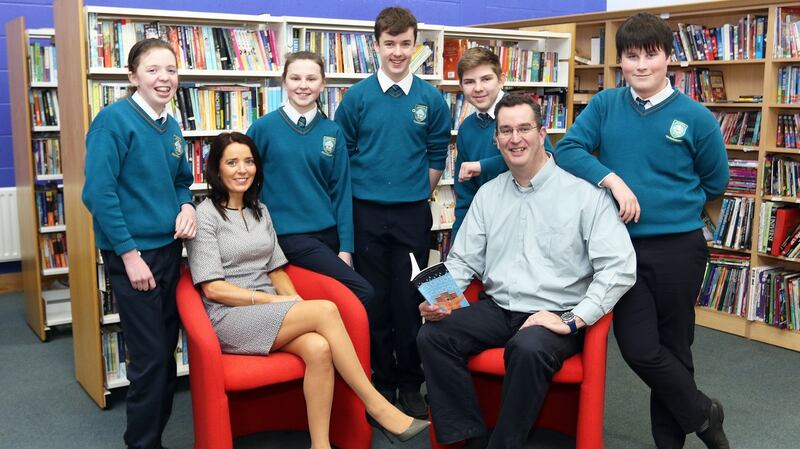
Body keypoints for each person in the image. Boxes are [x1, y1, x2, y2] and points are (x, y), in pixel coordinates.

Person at [417, 94, 637, 449]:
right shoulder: (488, 195)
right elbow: (462, 261)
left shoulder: (584, 196)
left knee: (528, 348)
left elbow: (620, 268)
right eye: (506, 131)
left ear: (541, 133)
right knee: (433, 336)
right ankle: (470, 439)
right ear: (497, 140)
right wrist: (440, 301)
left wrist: (573, 320)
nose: (515, 138)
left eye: (523, 129)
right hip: (498, 308)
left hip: (554, 314)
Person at [185, 132, 429, 449]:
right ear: (216, 169)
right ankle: (376, 404)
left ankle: (320, 445)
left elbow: (276, 268)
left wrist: (296, 304)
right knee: (325, 309)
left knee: (318, 348)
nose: (242, 169)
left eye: (248, 161)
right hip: (229, 319)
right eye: (232, 162)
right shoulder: (204, 215)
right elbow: (214, 289)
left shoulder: (259, 210)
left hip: (268, 310)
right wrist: (278, 301)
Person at [554, 12, 730, 449]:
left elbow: (716, 181)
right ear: (621, 63)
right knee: (637, 348)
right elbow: (568, 149)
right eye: (631, 57)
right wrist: (612, 180)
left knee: (674, 346)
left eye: (651, 55)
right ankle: (704, 412)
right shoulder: (605, 105)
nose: (642, 65)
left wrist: (672, 204)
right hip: (619, 248)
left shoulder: (696, 117)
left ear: (669, 57)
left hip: (678, 249)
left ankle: (669, 442)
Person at [334, 6, 451, 418]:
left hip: (411, 214)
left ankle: (410, 382)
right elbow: (343, 156)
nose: (398, 52)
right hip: (364, 211)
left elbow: (437, 153)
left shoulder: (431, 99)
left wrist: (418, 193)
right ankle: (380, 383)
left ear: (415, 45)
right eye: (390, 44)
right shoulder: (357, 98)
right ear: (376, 46)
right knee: (374, 300)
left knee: (410, 298)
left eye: (405, 44)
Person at [82, 38, 196, 449]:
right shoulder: (113, 122)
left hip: (168, 252)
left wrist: (187, 207)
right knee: (149, 362)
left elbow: (181, 180)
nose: (164, 78)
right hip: (135, 258)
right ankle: (142, 444)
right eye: (153, 70)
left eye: (171, 70)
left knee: (165, 356)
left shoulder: (172, 124)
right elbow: (98, 193)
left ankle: (153, 440)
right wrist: (129, 255)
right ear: (132, 76)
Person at [246, 51, 374, 307]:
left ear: (323, 84)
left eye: (311, 78)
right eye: (295, 78)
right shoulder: (263, 128)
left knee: (338, 299)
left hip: (329, 237)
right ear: (284, 82)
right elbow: (246, 185)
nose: (303, 85)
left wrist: (345, 249)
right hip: (288, 236)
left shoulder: (332, 131)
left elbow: (340, 191)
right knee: (364, 293)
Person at [451, 47, 553, 237]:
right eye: (469, 82)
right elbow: (465, 195)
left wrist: (483, 166)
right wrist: (458, 244)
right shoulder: (466, 128)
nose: (478, 88)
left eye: (486, 79)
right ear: (461, 86)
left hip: (531, 220)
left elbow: (546, 159)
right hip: (488, 225)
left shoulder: (522, 112)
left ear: (502, 79)